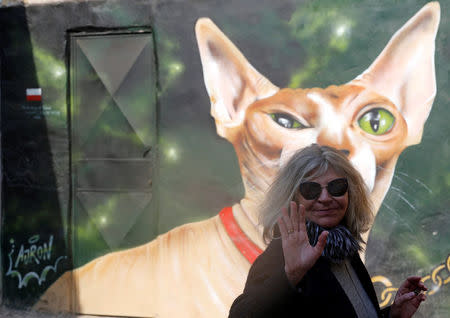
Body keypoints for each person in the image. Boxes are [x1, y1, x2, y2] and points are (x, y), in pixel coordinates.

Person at [229, 144, 426, 318]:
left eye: (336, 187)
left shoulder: (343, 249)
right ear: (293, 198)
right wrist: (290, 276)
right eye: (310, 190)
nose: (325, 198)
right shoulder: (283, 255)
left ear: (350, 193)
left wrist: (393, 314)